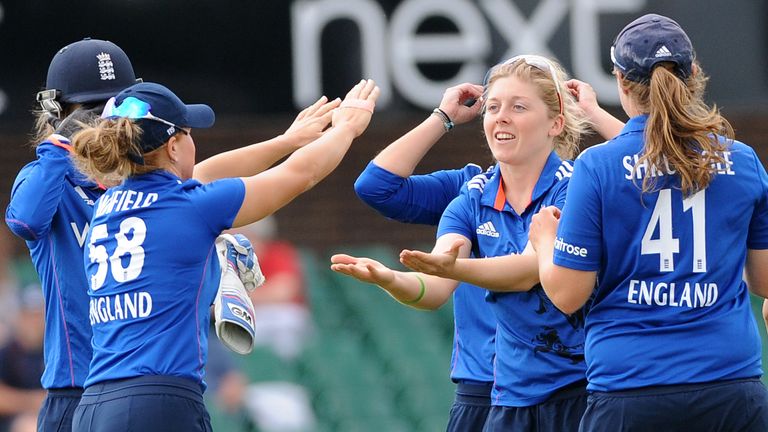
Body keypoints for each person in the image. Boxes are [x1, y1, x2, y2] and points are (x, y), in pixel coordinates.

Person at [5, 38, 341, 432]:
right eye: (91, 110)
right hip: (74, 387)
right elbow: (25, 220)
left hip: (127, 385)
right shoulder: (48, 180)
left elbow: (209, 172)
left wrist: (285, 142)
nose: (105, 122)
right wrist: (62, 141)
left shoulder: (138, 183)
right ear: (58, 114)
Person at [68, 79, 378, 431]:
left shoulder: (107, 205)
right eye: (188, 133)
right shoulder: (192, 206)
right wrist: (347, 129)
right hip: (159, 403)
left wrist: (286, 141)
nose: (192, 142)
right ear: (173, 147)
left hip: (94, 405)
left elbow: (206, 173)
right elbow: (301, 174)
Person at [528, 14, 768, 431]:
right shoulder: (743, 160)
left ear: (620, 81)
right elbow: (765, 281)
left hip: (629, 392)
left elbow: (567, 294)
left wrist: (544, 241)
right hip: (731, 389)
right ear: (693, 73)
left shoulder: (596, 167)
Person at [332, 55, 594, 431]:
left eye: (519, 107)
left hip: (573, 389)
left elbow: (524, 271)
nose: (501, 117)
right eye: (493, 107)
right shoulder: (470, 194)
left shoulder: (578, 187)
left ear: (556, 122)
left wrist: (455, 268)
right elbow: (434, 285)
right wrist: (389, 278)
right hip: (490, 389)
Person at [230, 217, 312, 361]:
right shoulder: (229, 260)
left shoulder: (277, 252)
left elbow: (284, 291)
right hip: (246, 316)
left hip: (282, 315)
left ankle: (289, 368)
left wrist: (241, 297)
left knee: (284, 325)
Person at [0, 287, 46, 432]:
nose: (34, 321)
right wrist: (33, 401)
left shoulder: (54, 351)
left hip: (50, 415)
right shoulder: (7, 351)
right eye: (29, 315)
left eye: (38, 315)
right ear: (19, 316)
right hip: (15, 420)